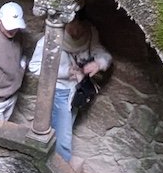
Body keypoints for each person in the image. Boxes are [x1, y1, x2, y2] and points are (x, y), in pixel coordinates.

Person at [28, 14, 111, 161]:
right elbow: (34, 66)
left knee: (63, 132)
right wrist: (64, 72)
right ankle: (60, 169)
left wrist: (99, 63)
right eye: (73, 26)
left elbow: (100, 52)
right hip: (59, 92)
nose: (76, 32)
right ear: (66, 24)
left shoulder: (90, 34)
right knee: (63, 141)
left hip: (76, 91)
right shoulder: (50, 39)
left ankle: (53, 162)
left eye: (80, 27)